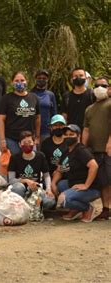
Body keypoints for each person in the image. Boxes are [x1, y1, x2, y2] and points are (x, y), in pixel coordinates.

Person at [52, 124, 101, 222]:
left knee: (63, 200)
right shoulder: (66, 151)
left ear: (78, 136)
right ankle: (75, 209)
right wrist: (53, 184)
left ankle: (88, 208)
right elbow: (59, 170)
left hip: (91, 188)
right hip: (75, 183)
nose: (68, 137)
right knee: (60, 184)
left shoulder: (81, 150)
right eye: (66, 134)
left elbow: (94, 166)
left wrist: (86, 185)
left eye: (71, 134)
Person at [82, 80, 111, 220]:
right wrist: (82, 147)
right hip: (95, 150)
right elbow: (86, 129)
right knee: (104, 181)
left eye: (104, 86)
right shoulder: (90, 109)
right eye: (97, 85)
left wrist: (110, 142)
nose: (100, 88)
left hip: (109, 150)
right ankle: (106, 209)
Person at [8, 131, 55, 210]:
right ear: (20, 144)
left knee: (50, 201)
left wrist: (48, 189)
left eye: (29, 142)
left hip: (36, 188)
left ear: (34, 143)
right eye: (24, 142)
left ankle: (32, 207)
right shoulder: (14, 158)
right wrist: (26, 181)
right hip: (21, 188)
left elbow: (46, 175)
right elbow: (11, 180)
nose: (27, 144)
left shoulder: (40, 156)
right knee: (17, 188)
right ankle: (23, 208)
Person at [0, 71, 41, 155]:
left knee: (31, 162)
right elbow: (0, 120)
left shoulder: (34, 98)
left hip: (29, 139)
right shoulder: (6, 98)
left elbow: (38, 118)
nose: (19, 83)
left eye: (22, 80)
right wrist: (2, 139)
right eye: (16, 81)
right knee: (15, 164)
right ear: (12, 82)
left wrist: (37, 137)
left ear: (26, 81)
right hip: (12, 139)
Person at [31, 69, 57, 141]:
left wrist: (53, 127)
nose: (41, 80)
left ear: (47, 80)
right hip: (32, 130)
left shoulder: (50, 95)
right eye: (39, 78)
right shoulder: (30, 94)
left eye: (44, 78)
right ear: (36, 79)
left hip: (47, 131)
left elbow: (54, 113)